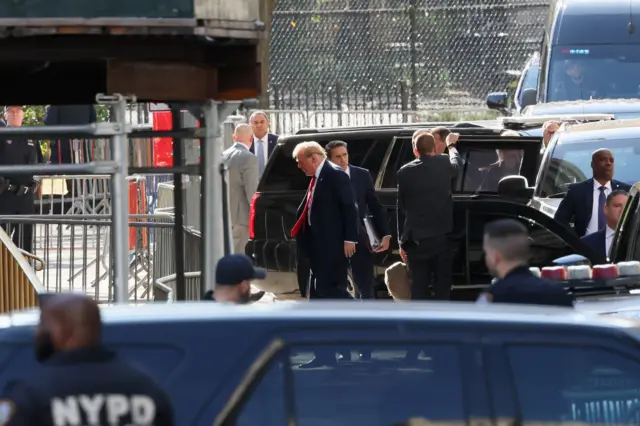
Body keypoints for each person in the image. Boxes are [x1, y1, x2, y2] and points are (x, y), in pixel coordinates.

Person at [1, 293, 174, 425]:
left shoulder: (31, 394)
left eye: (42, 325)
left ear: (62, 331)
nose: (37, 333)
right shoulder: (146, 389)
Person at [397, 130, 461, 300]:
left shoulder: (404, 172)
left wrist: (401, 241)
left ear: (415, 150)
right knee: (442, 285)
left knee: (418, 287)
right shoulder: (443, 161)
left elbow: (402, 208)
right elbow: (457, 164)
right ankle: (442, 322)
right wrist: (451, 145)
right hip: (441, 239)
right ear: (434, 148)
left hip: (416, 241)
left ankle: (420, 322)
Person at [291, 141, 359, 299]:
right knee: (316, 292)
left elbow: (349, 207)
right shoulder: (317, 177)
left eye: (301, 162)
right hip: (317, 246)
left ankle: (361, 314)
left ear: (313, 159)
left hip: (332, 245)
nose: (299, 167)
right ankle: (320, 323)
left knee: (327, 289)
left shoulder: (335, 174)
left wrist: (350, 238)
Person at [325, 140, 391, 299]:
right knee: (338, 285)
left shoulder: (362, 174)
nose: (342, 159)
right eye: (337, 157)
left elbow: (374, 205)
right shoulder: (324, 178)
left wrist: (385, 234)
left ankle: (367, 319)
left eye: (345, 155)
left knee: (366, 283)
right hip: (336, 239)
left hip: (361, 236)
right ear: (329, 159)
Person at [477, 219, 574, 306]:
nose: (485, 258)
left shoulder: (492, 299)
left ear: (496, 257)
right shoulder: (557, 293)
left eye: (486, 253)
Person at [555, 148, 631, 237]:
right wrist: (575, 242)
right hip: (585, 247)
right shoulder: (577, 190)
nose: (608, 163)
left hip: (617, 247)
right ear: (592, 164)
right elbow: (560, 220)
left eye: (611, 160)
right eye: (603, 159)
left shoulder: (626, 190)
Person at [0, 105, 40, 254]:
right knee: (3, 242)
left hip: (26, 198)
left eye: (18, 111)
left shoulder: (30, 137)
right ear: (5, 116)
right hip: (5, 196)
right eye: (11, 112)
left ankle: (24, 275)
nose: (15, 114)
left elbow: (38, 163)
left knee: (25, 243)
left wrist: (37, 181)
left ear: (23, 115)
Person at [222, 123, 259, 255]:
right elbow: (252, 191)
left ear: (234, 138)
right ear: (251, 138)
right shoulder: (249, 158)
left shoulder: (223, 156)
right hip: (241, 217)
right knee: (239, 255)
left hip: (224, 214)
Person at [581, 190, 629, 259]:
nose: (623, 210)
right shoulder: (586, 243)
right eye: (617, 206)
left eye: (626, 207)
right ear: (606, 209)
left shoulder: (637, 239)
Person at [201, 254, 267, 303]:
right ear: (244, 286)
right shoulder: (239, 319)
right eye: (249, 283)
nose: (250, 291)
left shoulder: (198, 314)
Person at [249, 111, 278, 177]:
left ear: (268, 124)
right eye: (255, 123)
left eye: (262, 122)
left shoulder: (277, 141)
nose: (259, 125)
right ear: (250, 125)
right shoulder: (247, 142)